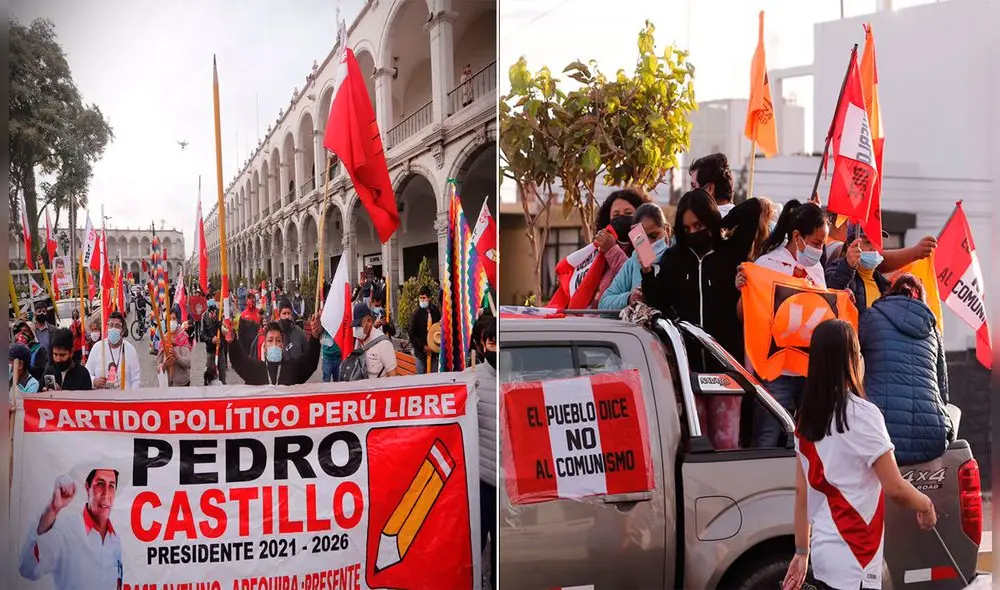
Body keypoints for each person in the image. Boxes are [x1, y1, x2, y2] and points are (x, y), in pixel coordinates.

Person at [783, 319, 936, 590]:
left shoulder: (805, 420)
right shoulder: (864, 416)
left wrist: (801, 552)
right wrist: (926, 505)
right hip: (857, 557)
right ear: (851, 361)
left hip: (822, 556)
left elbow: (801, 492)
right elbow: (895, 487)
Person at [641, 189, 761, 450]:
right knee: (698, 445)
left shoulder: (730, 252)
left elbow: (753, 208)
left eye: (699, 224)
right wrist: (648, 272)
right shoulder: (674, 259)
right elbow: (659, 302)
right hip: (690, 369)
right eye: (687, 227)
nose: (694, 231)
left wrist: (720, 224)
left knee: (727, 443)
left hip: (726, 368)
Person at [738, 200, 828, 448]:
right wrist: (744, 289)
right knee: (767, 437)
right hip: (775, 370)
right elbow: (744, 314)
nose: (819, 250)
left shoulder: (817, 270)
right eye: (816, 243)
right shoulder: (767, 266)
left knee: (808, 441)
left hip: (808, 370)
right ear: (798, 236)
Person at [858, 274, 953, 465]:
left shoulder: (870, 318)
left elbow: (852, 366)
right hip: (932, 436)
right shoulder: (934, 332)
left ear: (890, 293)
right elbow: (943, 392)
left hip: (881, 434)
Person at [19, 468, 124, 590]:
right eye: (100, 484)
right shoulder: (65, 531)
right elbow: (27, 568)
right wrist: (52, 509)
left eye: (111, 486)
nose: (106, 493)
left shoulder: (115, 540)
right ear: (87, 488)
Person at [599, 203, 671, 310]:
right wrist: (629, 298)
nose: (649, 244)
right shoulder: (633, 264)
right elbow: (604, 304)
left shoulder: (677, 260)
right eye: (642, 239)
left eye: (654, 236)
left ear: (667, 231)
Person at [469, 314, 497, 588]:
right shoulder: (472, 382)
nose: (498, 349)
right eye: (492, 343)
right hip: (482, 483)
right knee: (476, 546)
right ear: (481, 345)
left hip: (509, 486)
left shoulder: (517, 375)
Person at [592, 188, 650, 306]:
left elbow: (637, 278)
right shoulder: (601, 248)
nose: (621, 218)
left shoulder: (645, 245)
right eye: (616, 215)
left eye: (628, 213)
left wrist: (612, 251)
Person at [225, 317, 321, 385]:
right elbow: (240, 362)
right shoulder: (256, 370)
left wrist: (315, 337)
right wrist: (233, 342)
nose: (274, 344)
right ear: (265, 346)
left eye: (278, 340)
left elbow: (310, 363)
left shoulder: (291, 368)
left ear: (282, 345)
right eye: (270, 340)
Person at [825, 224, 891, 314]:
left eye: (877, 242)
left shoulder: (883, 284)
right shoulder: (838, 268)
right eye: (867, 242)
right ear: (850, 245)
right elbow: (830, 291)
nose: (874, 248)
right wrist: (848, 265)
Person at [86, 312, 141, 390]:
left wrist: (131, 397)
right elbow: (87, 373)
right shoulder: (97, 347)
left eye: (117, 326)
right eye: (111, 325)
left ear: (123, 330)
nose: (113, 328)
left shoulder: (130, 350)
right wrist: (94, 381)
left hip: (123, 400)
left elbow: (136, 379)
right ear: (107, 328)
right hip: (102, 400)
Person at [354, 302, 397, 378]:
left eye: (360, 325)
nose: (357, 329)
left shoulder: (384, 343)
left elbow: (392, 376)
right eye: (356, 326)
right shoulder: (358, 341)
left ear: (369, 321)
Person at [408, 286, 441, 374]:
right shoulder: (416, 314)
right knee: (421, 378)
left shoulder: (435, 311)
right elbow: (411, 333)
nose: (422, 300)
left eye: (424, 298)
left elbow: (438, 327)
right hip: (421, 353)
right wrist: (423, 346)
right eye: (420, 298)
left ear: (429, 298)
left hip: (433, 351)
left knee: (433, 377)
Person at [156, 318, 192, 387]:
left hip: (182, 384)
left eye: (174, 318)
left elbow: (187, 363)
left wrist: (177, 355)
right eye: (170, 318)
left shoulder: (183, 338)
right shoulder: (164, 339)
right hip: (167, 384)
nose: (172, 321)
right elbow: (158, 366)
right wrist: (164, 365)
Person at [200, 300, 227, 384]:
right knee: (209, 377)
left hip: (220, 350)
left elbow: (225, 330)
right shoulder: (204, 316)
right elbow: (201, 336)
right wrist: (211, 340)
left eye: (214, 310)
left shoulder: (220, 315)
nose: (213, 313)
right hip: (210, 352)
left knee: (222, 376)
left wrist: (218, 321)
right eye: (211, 311)